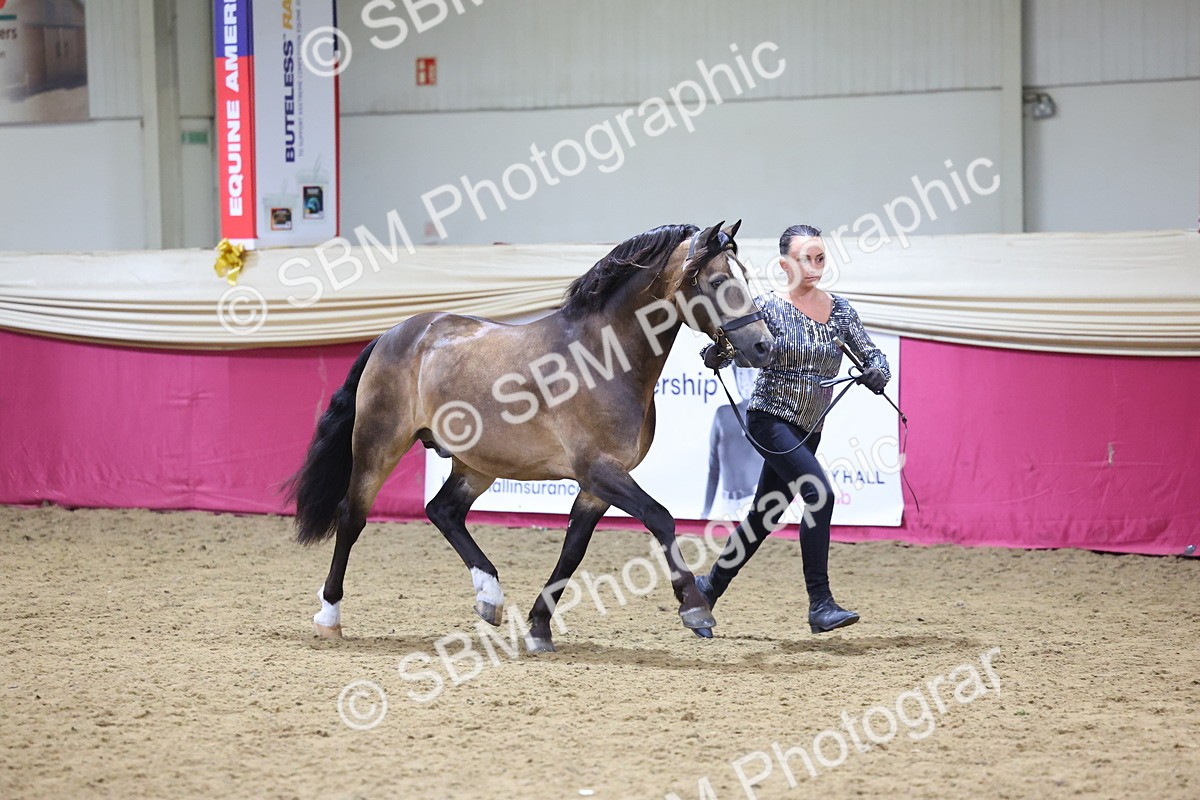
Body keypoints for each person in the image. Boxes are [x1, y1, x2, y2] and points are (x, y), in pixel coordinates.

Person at [696, 224, 890, 633]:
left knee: (763, 517)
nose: (815, 266)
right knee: (819, 494)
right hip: (770, 419)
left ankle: (707, 590)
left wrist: (877, 372)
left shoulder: (840, 311)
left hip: (808, 428)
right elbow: (731, 349)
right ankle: (820, 603)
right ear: (785, 264)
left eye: (820, 258)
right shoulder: (766, 306)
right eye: (806, 258)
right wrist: (716, 353)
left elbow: (873, 354)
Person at [700, 365, 763, 521]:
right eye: (741, 374)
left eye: (750, 373)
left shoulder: (766, 416)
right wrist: (705, 513)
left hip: (754, 499)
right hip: (726, 503)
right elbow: (713, 469)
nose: (745, 380)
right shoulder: (723, 414)